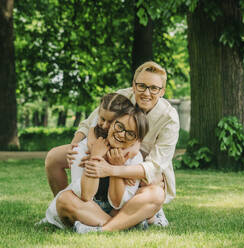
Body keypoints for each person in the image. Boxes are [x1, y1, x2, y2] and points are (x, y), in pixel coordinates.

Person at [45, 61, 180, 232]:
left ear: (162, 91)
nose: (147, 93)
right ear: (133, 85)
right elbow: (90, 123)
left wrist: (112, 168)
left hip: (142, 163)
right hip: (106, 146)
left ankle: (146, 215)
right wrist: (77, 146)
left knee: (154, 184)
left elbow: (154, 166)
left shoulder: (169, 118)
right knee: (54, 158)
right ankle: (82, 212)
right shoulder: (122, 97)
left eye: (154, 88)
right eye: (141, 86)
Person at [43, 98, 148, 229]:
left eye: (130, 133)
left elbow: (119, 203)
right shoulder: (82, 149)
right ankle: (121, 226)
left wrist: (117, 168)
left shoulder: (133, 156)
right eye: (119, 126)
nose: (121, 134)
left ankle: (99, 228)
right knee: (65, 199)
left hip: (111, 211)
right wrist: (96, 156)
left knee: (143, 195)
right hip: (86, 208)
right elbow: (85, 195)